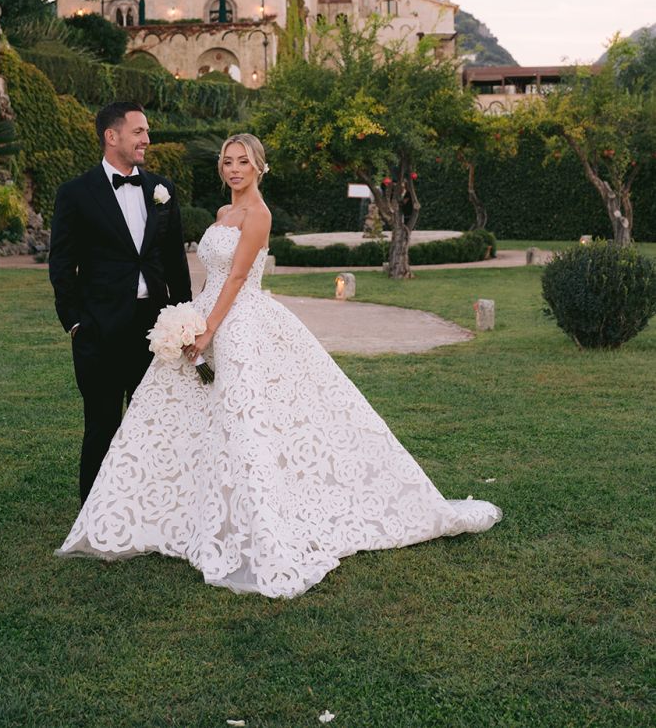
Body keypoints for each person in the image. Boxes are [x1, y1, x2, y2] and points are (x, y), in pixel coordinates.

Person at [56, 133, 502, 598]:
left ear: (259, 167)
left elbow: (238, 277)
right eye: (227, 161)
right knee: (184, 421)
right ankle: (174, 513)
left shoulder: (259, 215)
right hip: (206, 314)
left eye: (243, 161)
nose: (233, 169)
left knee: (246, 421)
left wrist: (208, 328)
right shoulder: (223, 214)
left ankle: (260, 515)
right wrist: (188, 321)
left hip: (242, 323)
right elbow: (211, 275)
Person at [48, 101, 191, 503]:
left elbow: (174, 260)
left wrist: (183, 320)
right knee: (102, 424)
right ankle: (94, 514)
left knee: (155, 423)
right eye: (139, 131)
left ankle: (151, 507)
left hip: (155, 330)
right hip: (100, 328)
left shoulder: (161, 189)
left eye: (146, 131)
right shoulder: (75, 194)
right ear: (112, 137)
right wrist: (75, 324)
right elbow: (61, 264)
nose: (147, 139)